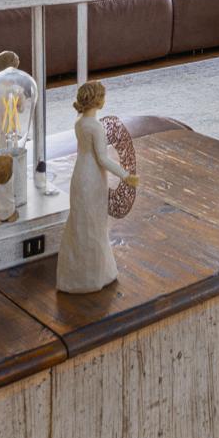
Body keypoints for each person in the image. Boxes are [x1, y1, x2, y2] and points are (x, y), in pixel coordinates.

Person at [56, 80, 137, 292]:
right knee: (94, 225)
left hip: (80, 174)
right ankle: (93, 276)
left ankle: (75, 276)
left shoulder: (80, 122)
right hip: (92, 178)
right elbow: (102, 158)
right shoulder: (95, 127)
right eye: (102, 96)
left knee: (81, 224)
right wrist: (125, 175)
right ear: (97, 100)